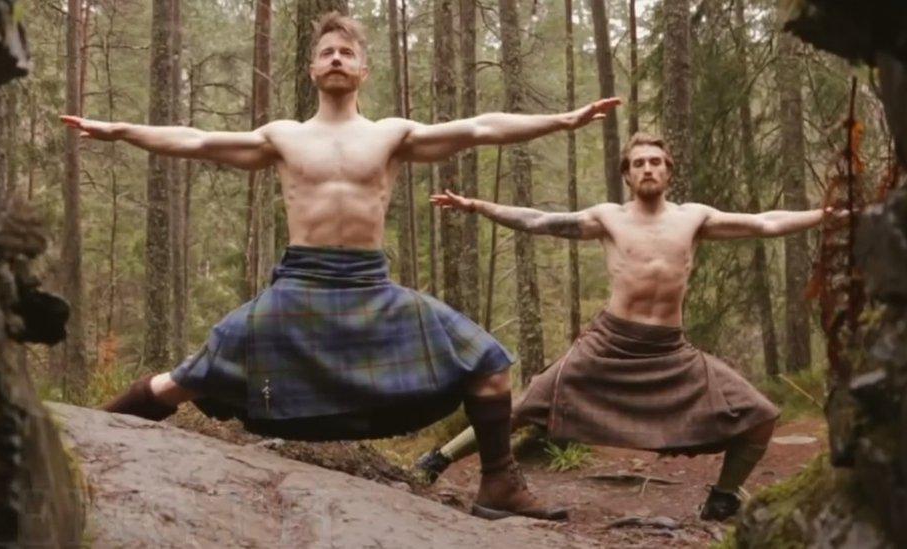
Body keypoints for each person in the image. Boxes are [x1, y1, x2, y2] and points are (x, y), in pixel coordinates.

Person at [60, 12, 620, 521]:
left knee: (488, 364)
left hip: (369, 286)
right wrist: (118, 131)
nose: (335, 59)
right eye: (327, 52)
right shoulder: (283, 136)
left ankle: (498, 485)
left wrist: (564, 121)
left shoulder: (390, 135)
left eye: (345, 53)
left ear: (363, 71)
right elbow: (198, 139)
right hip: (297, 287)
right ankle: (83, 437)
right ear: (311, 69)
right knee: (185, 379)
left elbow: (479, 128)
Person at [417, 131, 842, 522]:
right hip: (609, 344)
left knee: (759, 415)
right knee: (525, 407)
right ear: (626, 174)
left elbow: (767, 222)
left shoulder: (694, 218)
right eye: (638, 163)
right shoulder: (609, 218)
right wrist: (478, 206)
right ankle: (437, 459)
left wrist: (825, 215)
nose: (648, 168)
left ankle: (724, 496)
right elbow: (537, 220)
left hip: (669, 351)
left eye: (656, 161)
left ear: (669, 171)